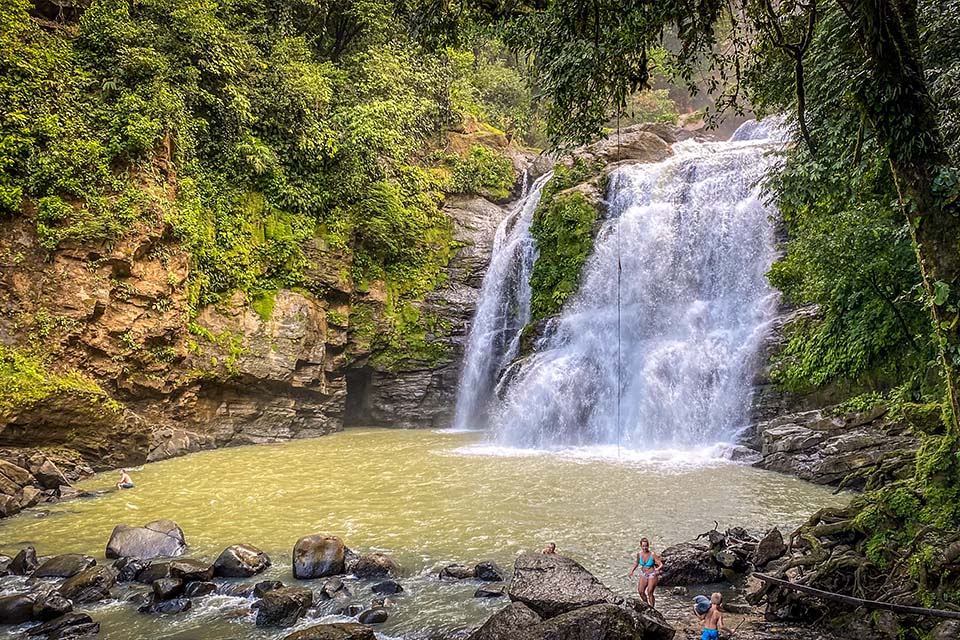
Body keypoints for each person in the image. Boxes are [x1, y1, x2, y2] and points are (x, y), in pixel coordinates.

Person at [627, 537, 664, 607]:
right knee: (641, 591)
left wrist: (657, 569)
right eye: (643, 546)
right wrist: (631, 571)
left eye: (646, 546)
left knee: (649, 592)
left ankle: (652, 608)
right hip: (643, 574)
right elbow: (637, 563)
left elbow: (661, 564)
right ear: (641, 546)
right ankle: (646, 606)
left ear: (648, 546)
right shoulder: (639, 554)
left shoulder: (652, 554)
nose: (644, 548)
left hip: (652, 574)